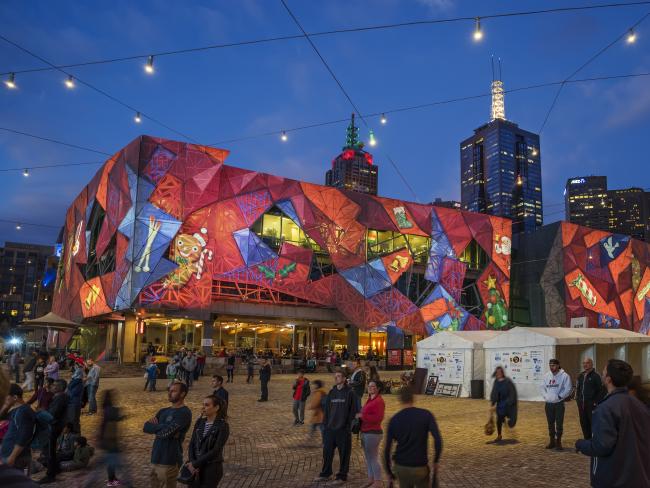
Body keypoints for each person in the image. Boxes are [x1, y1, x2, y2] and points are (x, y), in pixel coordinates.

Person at [575, 359, 650, 488]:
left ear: (608, 379)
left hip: (614, 478)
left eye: (604, 372)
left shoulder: (605, 408)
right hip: (639, 475)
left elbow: (601, 446)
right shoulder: (639, 404)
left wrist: (580, 444)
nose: (602, 374)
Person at [384, 387, 443, 488]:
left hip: (401, 466)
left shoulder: (394, 419)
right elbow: (438, 440)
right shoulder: (426, 415)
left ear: (400, 399)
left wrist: (389, 472)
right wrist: (436, 460)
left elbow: (387, 449)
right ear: (413, 398)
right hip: (420, 466)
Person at [143, 381, 192, 488]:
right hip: (155, 457)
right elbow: (146, 427)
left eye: (173, 391)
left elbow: (165, 434)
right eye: (169, 390)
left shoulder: (184, 413)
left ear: (182, 394)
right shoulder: (163, 411)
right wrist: (164, 427)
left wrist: (157, 427)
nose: (169, 393)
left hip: (170, 459)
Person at [315, 370, 358, 484]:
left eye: (339, 376)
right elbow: (327, 410)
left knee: (344, 455)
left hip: (343, 430)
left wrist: (347, 426)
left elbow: (353, 411)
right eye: (335, 376)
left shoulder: (350, 393)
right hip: (330, 429)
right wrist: (325, 426)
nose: (336, 378)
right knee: (327, 453)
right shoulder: (332, 392)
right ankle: (326, 473)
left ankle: (342, 476)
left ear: (344, 379)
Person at [185, 395, 230, 487]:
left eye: (207, 405)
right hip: (195, 467)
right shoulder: (200, 422)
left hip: (211, 468)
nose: (203, 407)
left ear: (216, 408)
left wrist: (195, 464)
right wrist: (192, 462)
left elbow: (216, 450)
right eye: (203, 404)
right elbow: (192, 443)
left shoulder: (222, 426)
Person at [39, 379, 69, 484]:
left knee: (49, 451)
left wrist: (42, 412)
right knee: (50, 450)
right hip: (56, 425)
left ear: (60, 387)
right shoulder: (59, 397)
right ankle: (56, 468)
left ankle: (50, 475)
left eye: (54, 385)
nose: (52, 386)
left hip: (54, 427)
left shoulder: (60, 398)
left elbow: (53, 414)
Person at [1, 384, 36, 472]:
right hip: (9, 455)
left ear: (15, 397)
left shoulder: (24, 411)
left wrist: (12, 457)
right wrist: (6, 406)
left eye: (5, 396)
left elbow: (23, 436)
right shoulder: (16, 410)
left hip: (17, 458)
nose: (3, 399)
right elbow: (1, 417)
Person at [358, 380, 385, 487]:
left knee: (373, 458)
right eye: (369, 386)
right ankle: (371, 479)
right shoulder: (370, 399)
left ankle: (378, 482)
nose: (369, 387)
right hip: (365, 432)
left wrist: (362, 416)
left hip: (373, 433)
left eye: (372, 386)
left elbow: (378, 418)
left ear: (378, 388)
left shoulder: (378, 401)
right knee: (369, 458)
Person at [540, 358, 572, 450]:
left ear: (558, 365)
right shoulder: (546, 376)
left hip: (559, 403)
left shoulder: (564, 376)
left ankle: (558, 441)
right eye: (550, 365)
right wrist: (546, 397)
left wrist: (560, 397)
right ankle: (552, 441)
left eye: (553, 365)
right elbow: (542, 387)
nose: (551, 367)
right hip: (549, 403)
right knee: (550, 423)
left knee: (559, 423)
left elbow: (568, 389)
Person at [489, 366, 518, 443]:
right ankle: (499, 435)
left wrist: (509, 402)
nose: (498, 374)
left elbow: (512, 393)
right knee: (498, 420)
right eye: (497, 372)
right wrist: (492, 404)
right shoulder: (496, 382)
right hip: (500, 404)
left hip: (508, 403)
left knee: (510, 421)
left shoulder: (508, 381)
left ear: (502, 373)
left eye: (500, 372)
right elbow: (494, 393)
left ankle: (506, 421)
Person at [575, 357, 602, 439]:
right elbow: (578, 389)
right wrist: (578, 400)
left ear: (592, 364)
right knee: (584, 423)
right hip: (582, 405)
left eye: (587, 363)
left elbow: (600, 391)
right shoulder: (580, 376)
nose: (585, 365)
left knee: (593, 423)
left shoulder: (596, 376)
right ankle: (587, 440)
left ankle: (595, 441)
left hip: (591, 405)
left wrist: (595, 402)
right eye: (584, 363)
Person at [306, 379, 327, 445]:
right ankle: (310, 440)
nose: (312, 386)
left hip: (319, 414)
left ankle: (325, 442)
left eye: (313, 384)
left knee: (322, 429)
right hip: (319, 414)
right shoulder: (321, 391)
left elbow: (315, 403)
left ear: (317, 385)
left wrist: (310, 406)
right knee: (314, 427)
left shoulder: (318, 393)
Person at [66, 365, 84, 434]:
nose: (72, 374)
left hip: (74, 403)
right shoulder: (73, 382)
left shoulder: (79, 383)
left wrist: (66, 395)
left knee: (74, 421)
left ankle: (76, 435)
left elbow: (73, 393)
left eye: (74, 372)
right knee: (72, 420)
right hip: (72, 403)